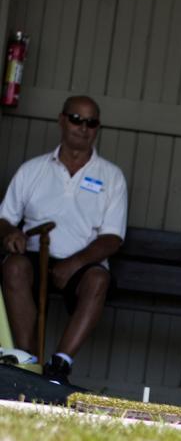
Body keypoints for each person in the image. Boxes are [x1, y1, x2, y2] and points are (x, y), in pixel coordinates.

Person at [0, 95, 127, 383]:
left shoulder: (112, 177)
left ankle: (59, 366)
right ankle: (28, 362)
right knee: (13, 267)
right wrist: (10, 234)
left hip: (82, 262)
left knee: (99, 280)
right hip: (34, 256)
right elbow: (4, 217)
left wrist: (73, 263)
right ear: (62, 120)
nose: (83, 127)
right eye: (76, 119)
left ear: (97, 128)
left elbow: (112, 238)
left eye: (91, 122)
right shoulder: (32, 169)